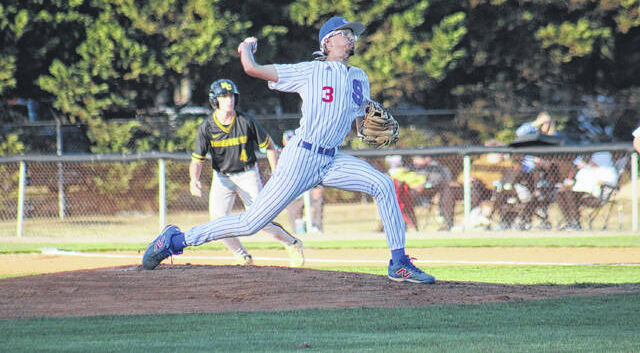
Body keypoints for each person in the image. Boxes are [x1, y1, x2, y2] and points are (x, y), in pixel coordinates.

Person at [142, 16, 435, 284]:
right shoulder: (310, 71)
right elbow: (252, 69)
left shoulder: (360, 77)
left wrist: (369, 128)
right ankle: (176, 240)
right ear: (327, 41)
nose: (352, 38)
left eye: (353, 34)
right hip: (302, 157)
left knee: (383, 183)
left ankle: (399, 263)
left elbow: (360, 123)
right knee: (251, 222)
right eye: (346, 33)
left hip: (332, 159)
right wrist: (246, 48)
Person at [187, 79, 304, 267]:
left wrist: (276, 172)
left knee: (261, 220)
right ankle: (242, 256)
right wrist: (194, 179)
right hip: (222, 178)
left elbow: (269, 146)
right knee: (217, 222)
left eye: (232, 95)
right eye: (224, 96)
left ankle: (293, 243)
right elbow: (197, 159)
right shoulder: (207, 127)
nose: (229, 100)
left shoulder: (245, 121)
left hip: (247, 174)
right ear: (215, 101)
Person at [555, 152, 619, 230]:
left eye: (593, 159)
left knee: (570, 195)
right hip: (578, 195)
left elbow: (612, 185)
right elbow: (576, 183)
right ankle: (570, 222)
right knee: (560, 194)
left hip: (595, 196)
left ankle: (576, 223)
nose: (591, 161)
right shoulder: (586, 169)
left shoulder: (608, 171)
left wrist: (600, 182)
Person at [282, 129, 325, 234]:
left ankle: (316, 227)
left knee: (317, 195)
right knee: (292, 202)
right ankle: (298, 227)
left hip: (309, 187)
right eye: (289, 140)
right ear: (284, 142)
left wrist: (317, 187)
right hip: (294, 190)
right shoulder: (282, 155)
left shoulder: (309, 153)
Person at [409, 155, 455, 231]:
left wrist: (424, 185)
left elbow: (437, 182)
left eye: (417, 158)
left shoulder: (435, 167)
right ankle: (410, 226)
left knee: (446, 192)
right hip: (415, 192)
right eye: (414, 158)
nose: (414, 160)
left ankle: (446, 222)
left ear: (427, 159)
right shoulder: (411, 167)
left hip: (433, 191)